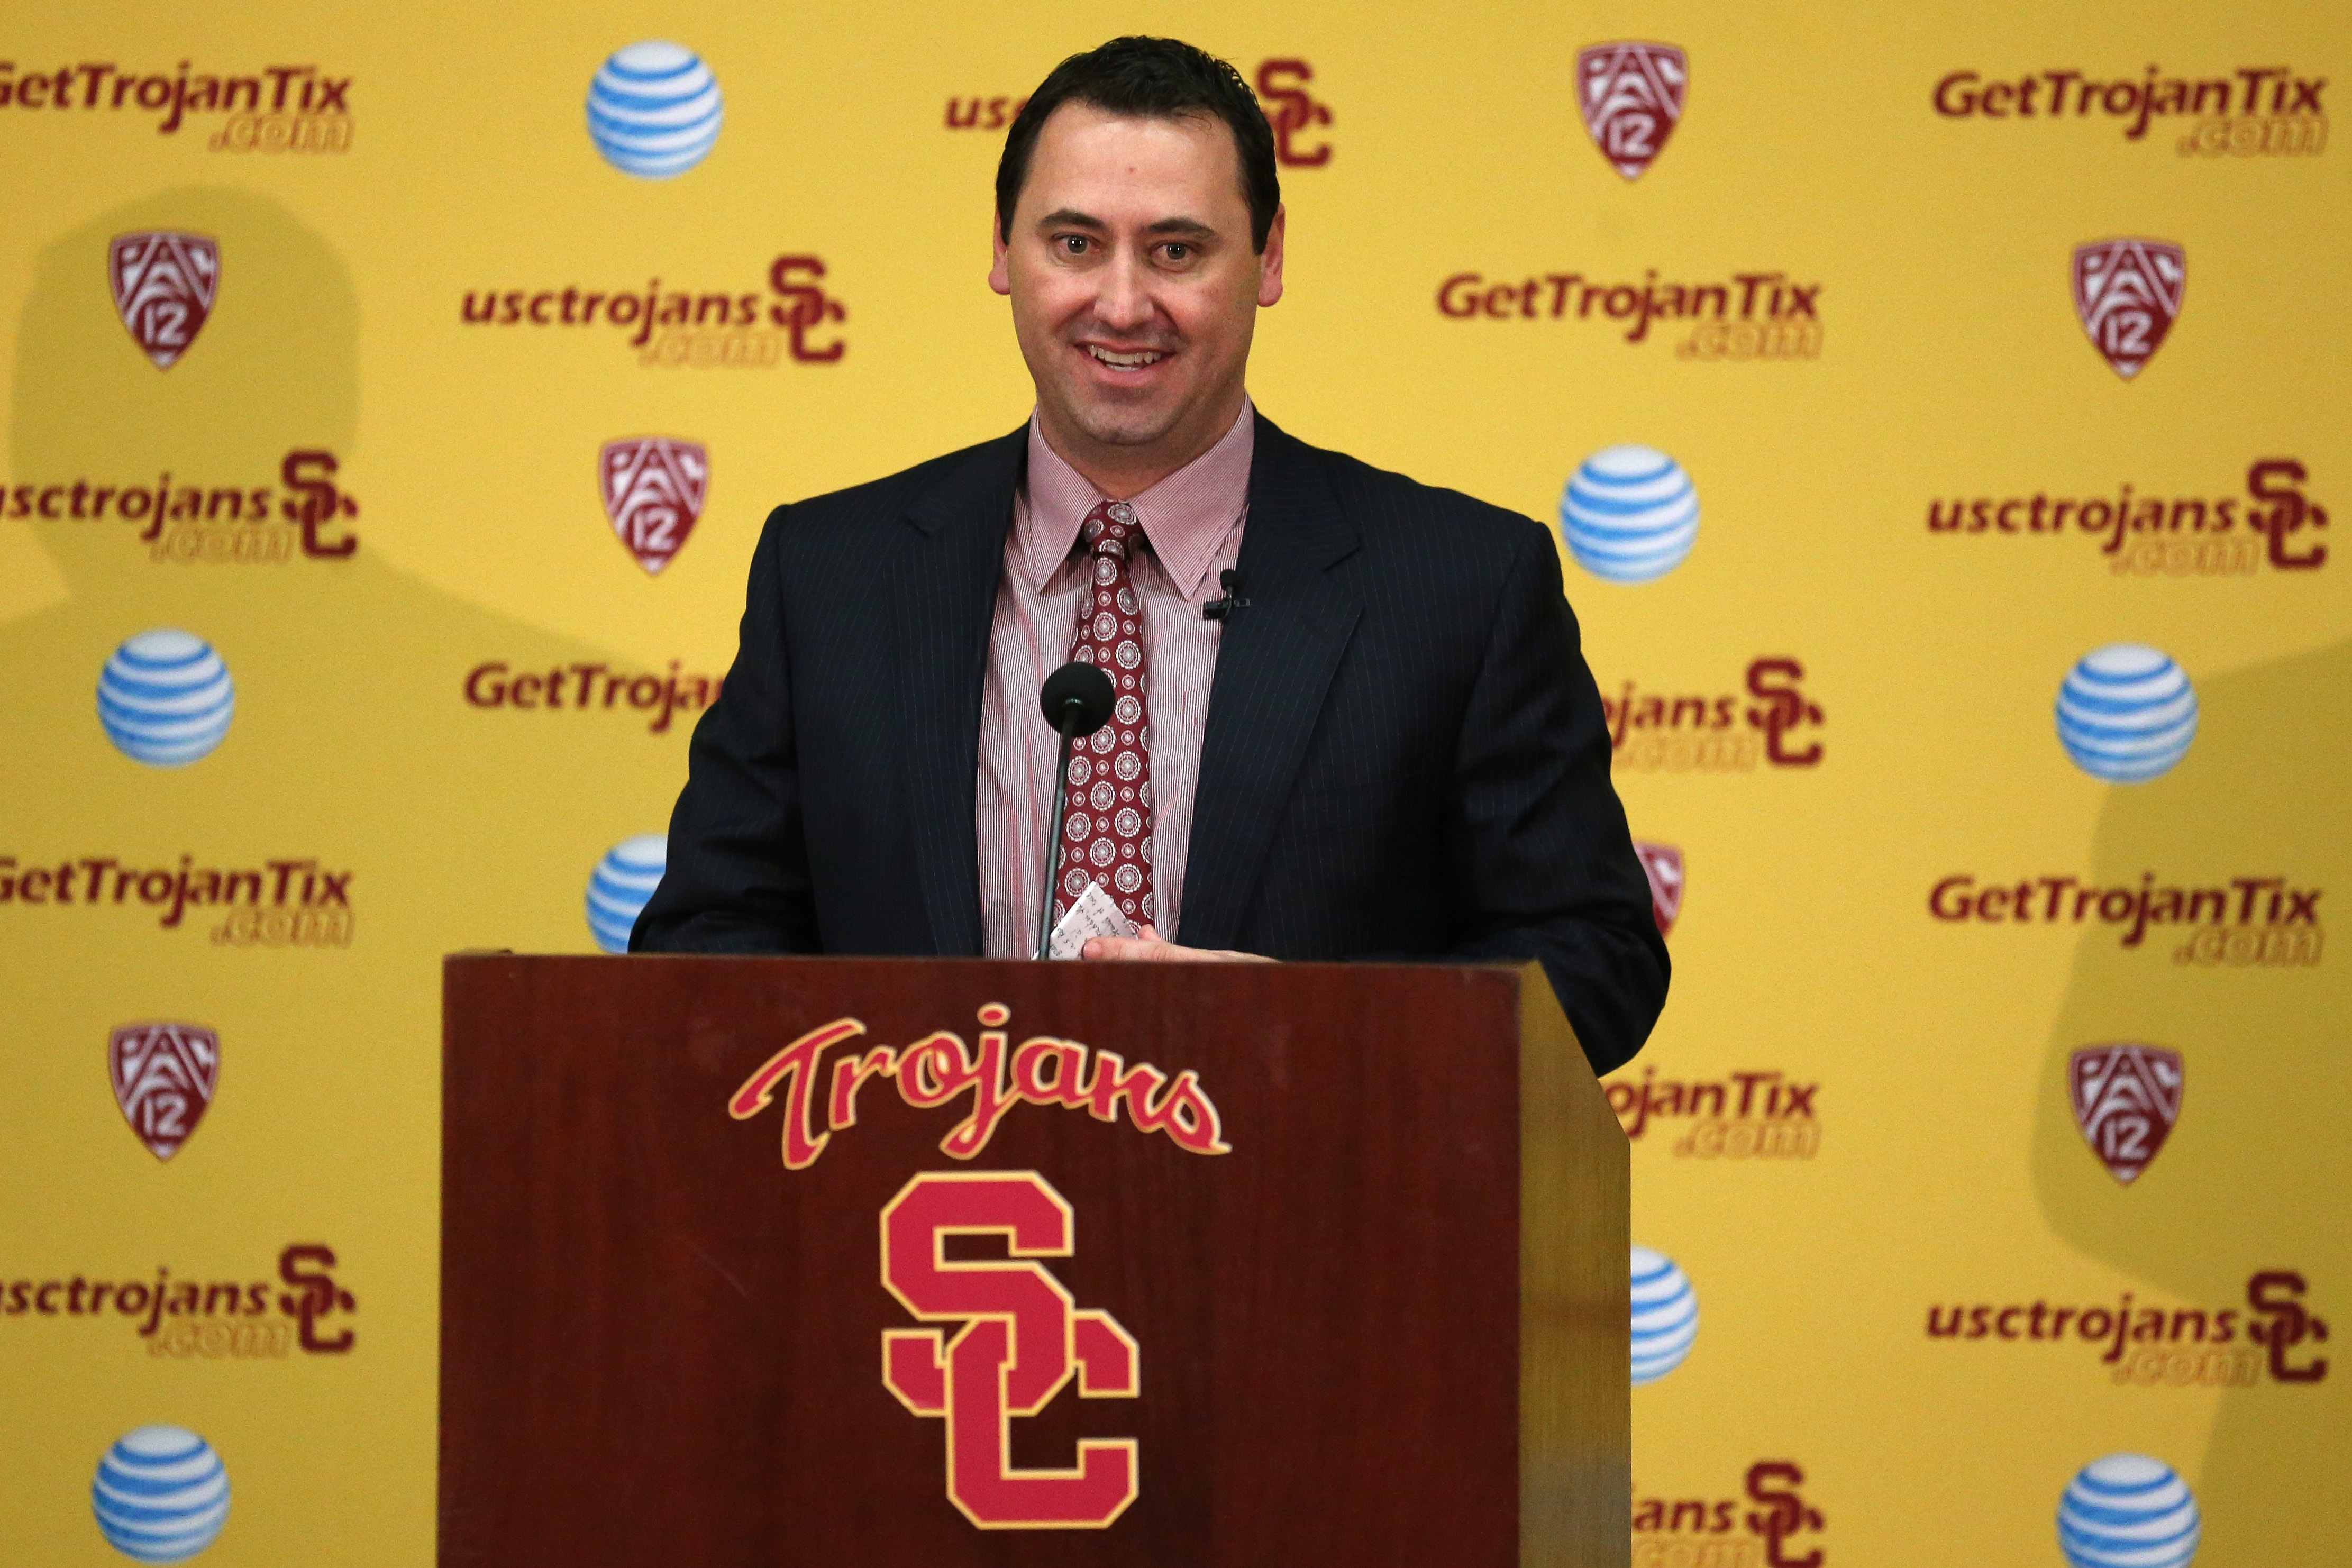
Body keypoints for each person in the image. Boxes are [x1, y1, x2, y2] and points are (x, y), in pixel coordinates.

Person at [632, 35, 1668, 1074]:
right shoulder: (828, 576)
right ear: (1002, 250)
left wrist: (1315, 1031)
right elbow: (702, 942)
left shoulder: (1461, 585)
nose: (1123, 306)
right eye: (1075, 244)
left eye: (1177, 251)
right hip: (927, 1217)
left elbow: (1595, 962)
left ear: (1266, 259)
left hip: (1314, 1216)